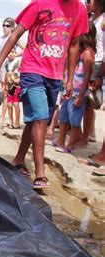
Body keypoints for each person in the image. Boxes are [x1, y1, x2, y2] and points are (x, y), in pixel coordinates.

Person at [0, 0, 89, 189]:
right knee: (41, 118)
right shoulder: (40, 4)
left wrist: (69, 78)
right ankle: (40, 173)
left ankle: (18, 160)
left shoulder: (80, 9)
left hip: (55, 75)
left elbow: (74, 44)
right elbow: (16, 34)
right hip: (32, 70)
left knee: (36, 119)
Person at [55, 24, 95, 153]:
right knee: (63, 117)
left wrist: (81, 95)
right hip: (69, 91)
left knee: (75, 120)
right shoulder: (77, 51)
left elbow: (87, 75)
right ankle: (60, 141)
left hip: (78, 92)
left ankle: (70, 145)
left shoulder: (87, 53)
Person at [0, 17, 25, 122]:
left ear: (12, 27)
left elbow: (26, 48)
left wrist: (16, 54)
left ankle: (3, 117)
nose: (4, 27)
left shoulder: (14, 38)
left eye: (7, 26)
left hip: (8, 68)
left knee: (5, 93)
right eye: (3, 25)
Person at [78, 0, 105, 147]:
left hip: (98, 63)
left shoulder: (103, 20)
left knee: (89, 102)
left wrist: (100, 74)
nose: (87, 2)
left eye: (89, 1)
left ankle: (85, 138)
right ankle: (88, 134)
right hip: (93, 62)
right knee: (88, 101)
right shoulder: (92, 19)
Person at [2, 49, 22, 128]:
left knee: (16, 104)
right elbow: (6, 74)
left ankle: (17, 122)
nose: (10, 54)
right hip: (9, 85)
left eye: (12, 52)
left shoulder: (18, 60)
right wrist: (5, 86)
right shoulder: (6, 63)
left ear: (15, 53)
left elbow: (22, 71)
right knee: (9, 104)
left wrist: (19, 79)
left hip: (16, 85)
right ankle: (11, 120)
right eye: (8, 52)